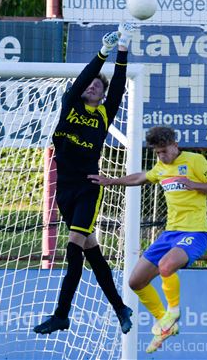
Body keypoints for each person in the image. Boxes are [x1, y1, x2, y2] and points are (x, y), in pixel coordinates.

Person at [33, 23, 135, 335]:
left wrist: (122, 51)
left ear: (103, 96)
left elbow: (117, 84)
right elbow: (81, 79)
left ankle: (62, 313)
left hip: (89, 186)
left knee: (74, 245)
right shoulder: (70, 104)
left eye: (97, 86)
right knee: (92, 251)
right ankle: (120, 308)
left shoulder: (104, 114)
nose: (91, 86)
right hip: (64, 189)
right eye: (88, 83)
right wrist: (102, 53)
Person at [89, 126, 207, 352]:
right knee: (135, 282)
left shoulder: (195, 161)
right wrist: (112, 181)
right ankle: (165, 322)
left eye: (164, 151)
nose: (161, 156)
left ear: (175, 145)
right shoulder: (161, 167)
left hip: (195, 232)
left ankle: (173, 312)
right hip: (169, 234)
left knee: (166, 266)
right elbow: (142, 177)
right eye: (157, 152)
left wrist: (195, 185)